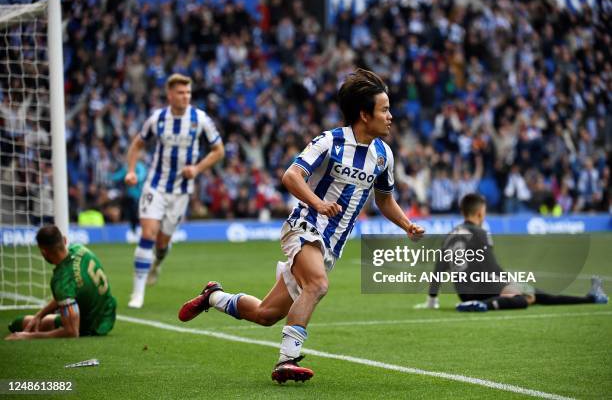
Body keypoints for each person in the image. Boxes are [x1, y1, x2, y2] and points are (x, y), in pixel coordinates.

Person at [178, 69, 425, 383]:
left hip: (331, 246)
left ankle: (213, 295)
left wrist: (407, 225)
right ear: (364, 115)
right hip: (305, 225)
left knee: (266, 314)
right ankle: (287, 360)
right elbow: (291, 176)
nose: (391, 116)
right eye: (385, 109)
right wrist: (318, 203)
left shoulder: (383, 156)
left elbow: (385, 200)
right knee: (318, 285)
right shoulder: (330, 141)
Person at [124, 73, 225, 308]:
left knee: (161, 243)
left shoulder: (200, 119)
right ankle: (137, 294)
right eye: (181, 92)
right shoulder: (157, 119)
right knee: (147, 234)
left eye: (188, 92)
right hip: (155, 185)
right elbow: (138, 144)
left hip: (181, 191)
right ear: (170, 95)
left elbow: (218, 150)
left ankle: (157, 264)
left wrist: (197, 168)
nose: (185, 96)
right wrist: (131, 170)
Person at [415, 193, 608, 312]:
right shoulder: (480, 232)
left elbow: (439, 268)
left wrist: (432, 300)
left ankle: (591, 297)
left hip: (464, 293)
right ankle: (591, 298)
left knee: (526, 294)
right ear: (480, 213)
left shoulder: (450, 234)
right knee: (529, 295)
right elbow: (491, 267)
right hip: (483, 290)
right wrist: (510, 283)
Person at [5, 225, 117, 340]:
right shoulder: (80, 249)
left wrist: (28, 336)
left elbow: (72, 333)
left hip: (92, 326)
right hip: (107, 312)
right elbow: (70, 291)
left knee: (18, 324)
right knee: (34, 320)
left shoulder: (62, 281)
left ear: (44, 252)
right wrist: (40, 315)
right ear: (64, 240)